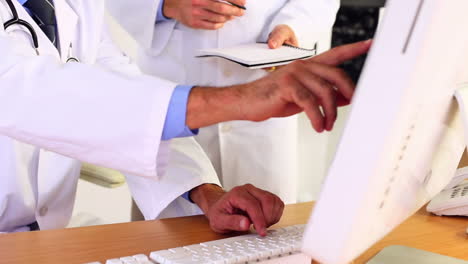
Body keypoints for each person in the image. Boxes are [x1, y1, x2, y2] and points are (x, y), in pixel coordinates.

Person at [0, 0, 370, 234]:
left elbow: (119, 82)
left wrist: (205, 194)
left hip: (48, 237)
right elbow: (32, 90)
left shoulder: (76, 7)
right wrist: (240, 99)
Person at [107, 0, 340, 204]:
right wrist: (165, 4)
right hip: (174, 81)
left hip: (265, 79)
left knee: (264, 233)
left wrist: (293, 26)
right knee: (167, 234)